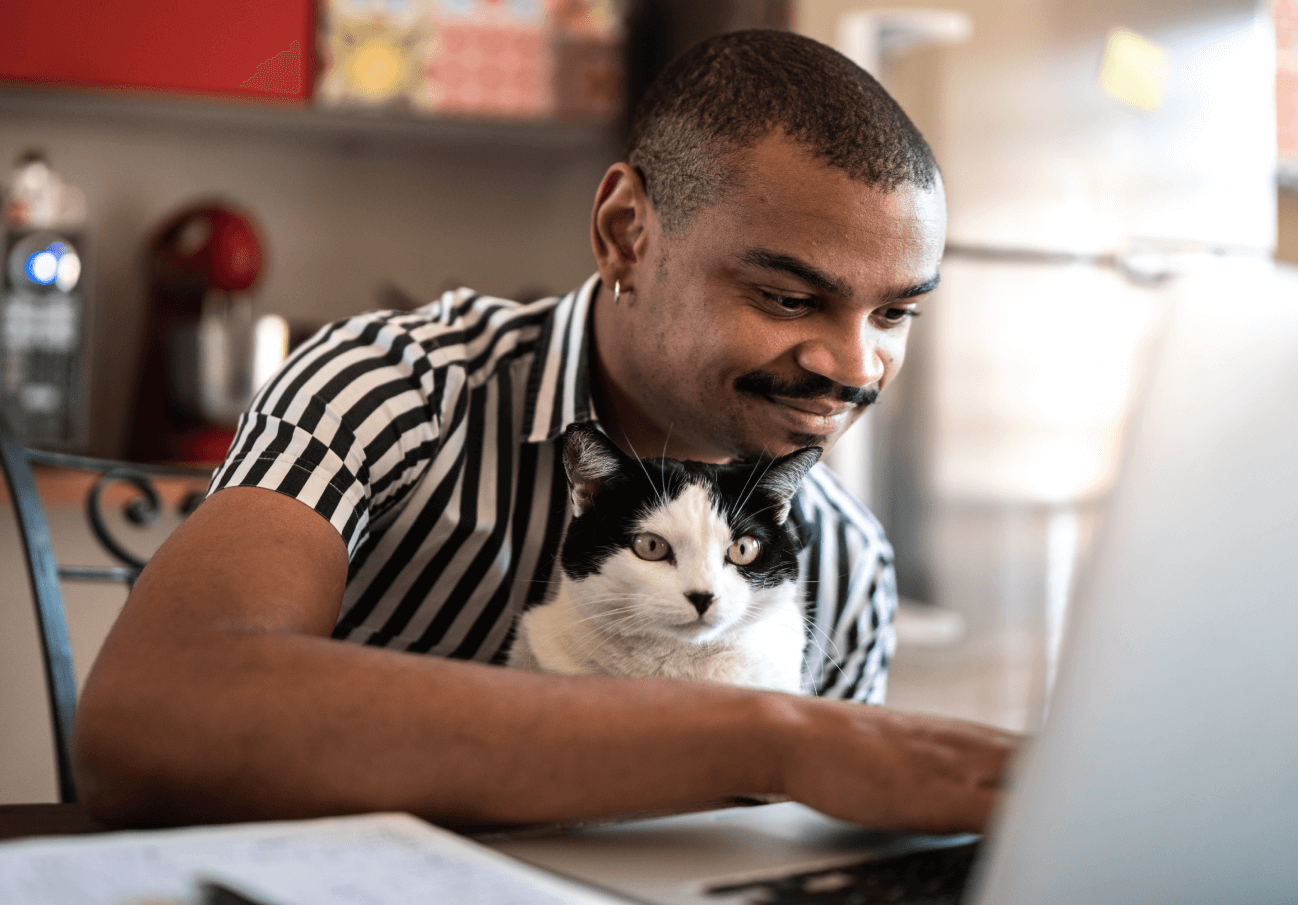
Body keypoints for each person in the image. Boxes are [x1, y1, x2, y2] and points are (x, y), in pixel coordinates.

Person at [75, 30, 1014, 831]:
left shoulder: (847, 566)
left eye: (895, 315)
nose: (854, 367)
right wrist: (773, 740)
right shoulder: (396, 392)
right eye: (787, 296)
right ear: (624, 233)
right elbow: (150, 717)